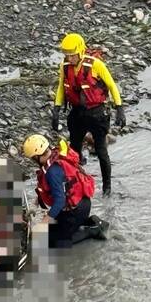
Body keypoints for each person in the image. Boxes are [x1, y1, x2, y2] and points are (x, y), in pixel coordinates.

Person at [51, 32, 126, 196]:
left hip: (97, 114)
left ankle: (107, 188)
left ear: (80, 51)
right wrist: (56, 110)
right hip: (77, 114)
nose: (69, 59)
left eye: (72, 55)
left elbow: (112, 86)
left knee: (101, 151)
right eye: (67, 55)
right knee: (74, 150)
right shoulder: (64, 66)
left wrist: (119, 109)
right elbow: (61, 88)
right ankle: (77, 182)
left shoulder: (96, 65)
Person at [22, 133, 106, 249]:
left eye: (32, 158)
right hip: (80, 203)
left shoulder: (52, 172)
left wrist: (42, 224)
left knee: (54, 242)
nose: (32, 161)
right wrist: (35, 205)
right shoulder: (55, 155)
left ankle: (93, 230)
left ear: (37, 156)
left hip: (76, 210)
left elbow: (59, 202)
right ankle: (88, 221)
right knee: (50, 230)